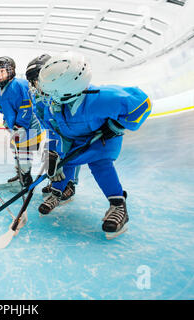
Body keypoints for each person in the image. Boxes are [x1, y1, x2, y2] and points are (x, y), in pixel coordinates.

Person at [37, 51, 151, 238]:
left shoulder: (103, 97)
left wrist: (115, 125)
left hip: (103, 138)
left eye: (51, 91)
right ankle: (56, 194)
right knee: (63, 165)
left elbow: (142, 103)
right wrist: (54, 153)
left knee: (100, 165)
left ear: (68, 88)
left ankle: (118, 206)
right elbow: (55, 132)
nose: (45, 94)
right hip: (74, 140)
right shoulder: (54, 105)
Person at [26, 54, 79, 202]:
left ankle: (70, 184)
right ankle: (56, 182)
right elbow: (43, 118)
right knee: (51, 157)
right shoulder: (37, 96)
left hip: (69, 133)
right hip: (53, 132)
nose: (37, 84)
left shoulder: (61, 92)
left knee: (70, 157)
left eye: (39, 79)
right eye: (34, 81)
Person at [0, 56, 45, 190]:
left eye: (2, 71)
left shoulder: (20, 84)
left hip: (29, 127)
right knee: (16, 151)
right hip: (15, 128)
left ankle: (26, 179)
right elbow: (3, 108)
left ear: (11, 71)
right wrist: (6, 122)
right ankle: (20, 175)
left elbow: (26, 106)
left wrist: (20, 125)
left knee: (24, 153)